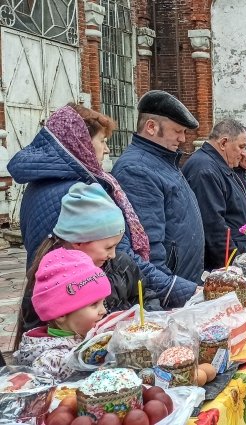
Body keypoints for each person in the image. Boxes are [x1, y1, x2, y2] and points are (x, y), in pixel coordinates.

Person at [13, 183, 161, 349]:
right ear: (78, 242)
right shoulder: (52, 279)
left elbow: (146, 296)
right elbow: (36, 340)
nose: (113, 254)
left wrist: (147, 322)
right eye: (108, 247)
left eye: (116, 246)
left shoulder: (121, 264)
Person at [6, 103, 150, 268]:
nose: (107, 149)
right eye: (102, 141)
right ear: (82, 143)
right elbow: (118, 258)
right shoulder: (77, 193)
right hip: (78, 289)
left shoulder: (42, 182)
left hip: (48, 286)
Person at [111, 90, 204, 308]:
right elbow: (147, 246)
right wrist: (171, 289)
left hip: (184, 283)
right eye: (177, 131)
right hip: (168, 293)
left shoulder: (163, 161)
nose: (182, 139)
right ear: (151, 127)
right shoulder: (137, 169)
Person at [14, 248, 111, 382]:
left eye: (103, 303)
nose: (103, 311)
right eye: (94, 304)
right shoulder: (50, 361)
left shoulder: (83, 335)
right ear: (61, 315)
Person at [182, 120, 246, 270]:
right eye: (241, 147)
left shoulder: (219, 166)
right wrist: (236, 266)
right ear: (224, 143)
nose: (244, 153)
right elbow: (214, 227)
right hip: (222, 266)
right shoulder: (205, 169)